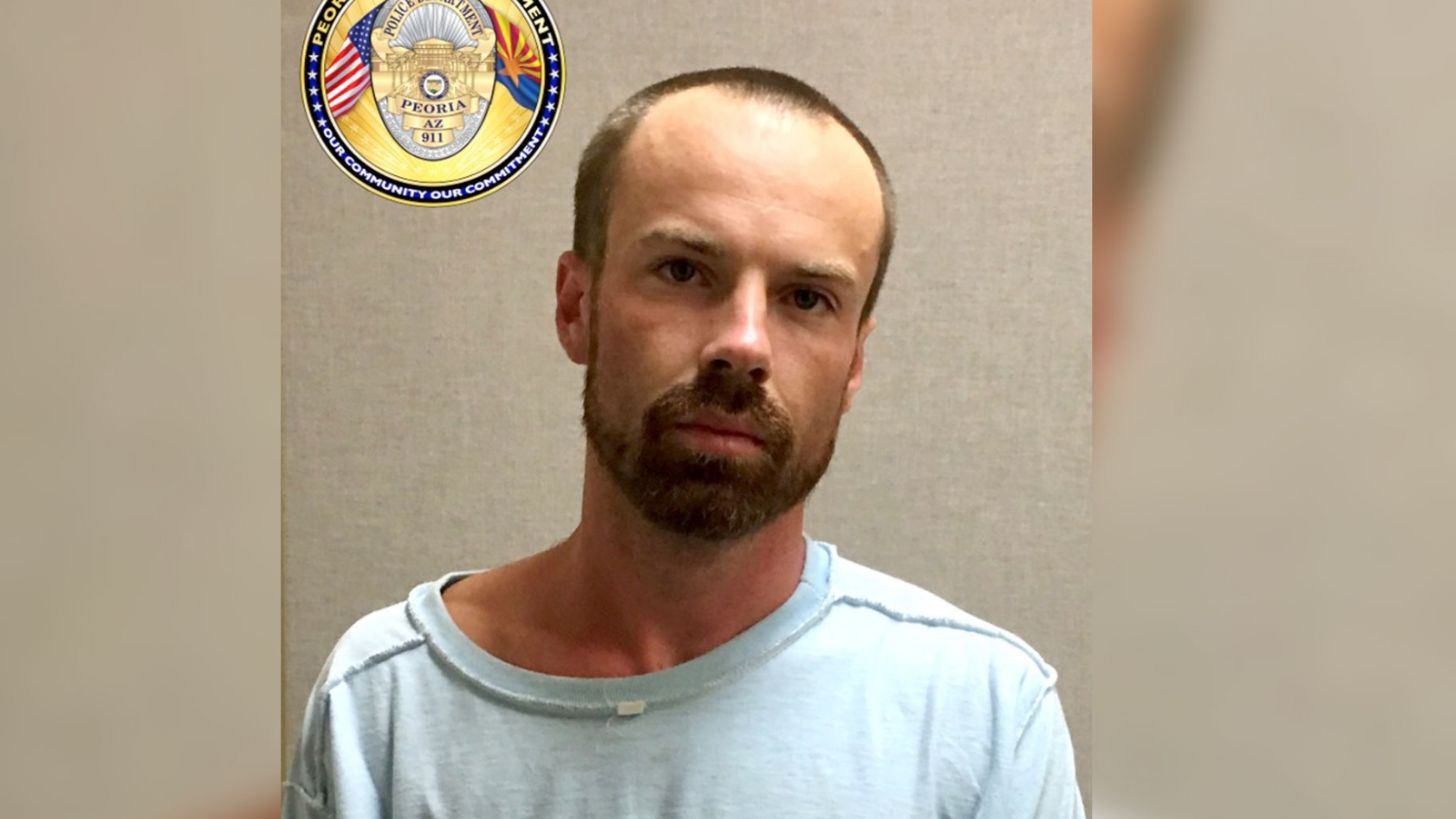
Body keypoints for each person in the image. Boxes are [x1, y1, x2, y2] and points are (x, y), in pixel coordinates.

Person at [283, 66, 1085, 819]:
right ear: (576, 306)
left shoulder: (979, 718)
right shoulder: (384, 705)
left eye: (807, 298)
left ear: (854, 363)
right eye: (683, 271)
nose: (744, 343)